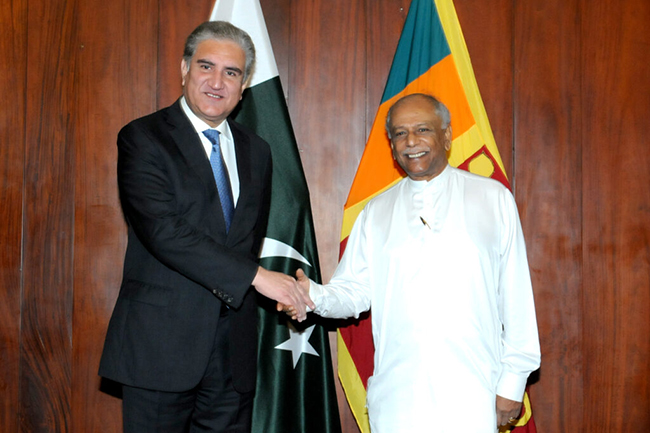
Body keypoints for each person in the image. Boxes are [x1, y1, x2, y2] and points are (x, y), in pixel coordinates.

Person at [99, 21, 313, 433]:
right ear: (184, 69)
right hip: (160, 348)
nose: (217, 82)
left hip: (234, 354)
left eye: (231, 72)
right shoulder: (143, 138)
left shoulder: (258, 151)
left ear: (245, 82)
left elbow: (245, 244)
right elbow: (163, 231)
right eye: (206, 67)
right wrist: (259, 278)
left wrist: (287, 292)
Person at [282, 93, 541, 432]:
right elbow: (354, 291)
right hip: (397, 399)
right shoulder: (376, 212)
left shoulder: (493, 199)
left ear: (446, 136)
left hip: (474, 393)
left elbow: (516, 299)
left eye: (422, 129)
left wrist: (512, 382)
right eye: (400, 134)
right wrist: (312, 296)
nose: (411, 142)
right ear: (391, 145)